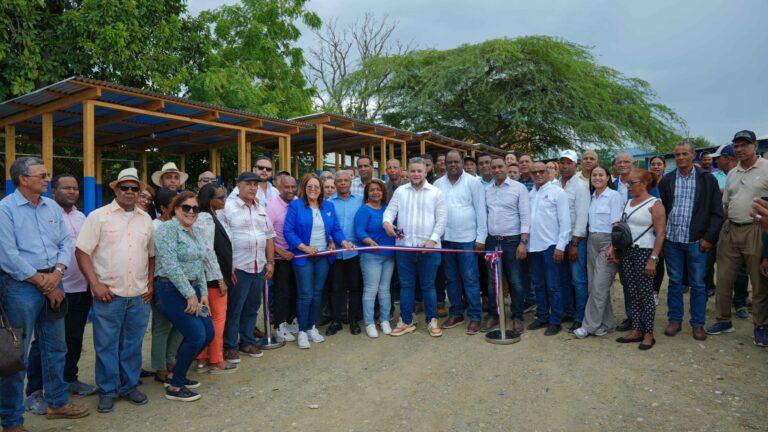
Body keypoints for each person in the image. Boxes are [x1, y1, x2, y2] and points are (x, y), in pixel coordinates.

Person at [0, 157, 90, 430]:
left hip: (53, 280)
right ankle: (12, 421)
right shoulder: (5, 210)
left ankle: (57, 402)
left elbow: (66, 242)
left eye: (47, 174)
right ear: (23, 179)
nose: (47, 178)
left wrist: (57, 274)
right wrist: (43, 281)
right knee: (16, 356)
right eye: (41, 175)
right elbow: (7, 255)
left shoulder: (51, 206)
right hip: (20, 287)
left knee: (56, 347)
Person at [76, 167, 154, 412]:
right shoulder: (99, 216)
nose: (130, 192)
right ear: (116, 189)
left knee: (132, 343)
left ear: (140, 191)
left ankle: (129, 386)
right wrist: (95, 284)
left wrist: (150, 283)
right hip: (109, 293)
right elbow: (82, 251)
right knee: (106, 344)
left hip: (139, 294)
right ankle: (108, 389)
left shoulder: (146, 219)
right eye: (125, 187)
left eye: (135, 188)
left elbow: (151, 255)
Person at [707, 130, 768, 346]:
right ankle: (724, 320)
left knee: (759, 283)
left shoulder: (766, 168)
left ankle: (760, 326)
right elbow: (726, 204)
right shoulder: (732, 173)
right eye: (737, 145)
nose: (740, 149)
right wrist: (718, 232)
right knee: (723, 279)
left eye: (744, 144)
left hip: (757, 230)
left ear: (755, 145)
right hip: (730, 229)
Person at [153, 192, 215, 402]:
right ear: (175, 208)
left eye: (195, 208)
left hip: (193, 290)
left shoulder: (195, 231)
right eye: (186, 207)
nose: (191, 212)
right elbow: (170, 264)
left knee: (208, 334)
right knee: (196, 335)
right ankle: (176, 386)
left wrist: (203, 293)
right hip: (170, 290)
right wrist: (190, 295)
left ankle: (176, 373)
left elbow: (199, 264)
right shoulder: (167, 229)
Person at [658, 141, 723, 341]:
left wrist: (708, 238)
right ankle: (675, 320)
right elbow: (665, 211)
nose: (680, 158)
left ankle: (698, 324)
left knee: (698, 283)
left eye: (685, 154)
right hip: (672, 241)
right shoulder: (667, 180)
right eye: (677, 154)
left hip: (697, 241)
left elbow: (717, 213)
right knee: (675, 282)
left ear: (693, 155)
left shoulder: (707, 180)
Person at [284, 174, 354, 348]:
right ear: (304, 188)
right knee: (305, 294)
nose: (313, 189)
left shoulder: (328, 206)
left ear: (321, 189)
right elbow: (288, 231)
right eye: (309, 186)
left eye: (316, 186)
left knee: (317, 293)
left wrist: (343, 241)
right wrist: (304, 247)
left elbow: (335, 228)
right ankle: (301, 331)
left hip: (322, 256)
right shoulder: (296, 205)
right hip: (304, 257)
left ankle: (311, 328)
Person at [383, 157, 447, 337]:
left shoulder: (436, 193)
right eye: (413, 171)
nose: (416, 174)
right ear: (408, 172)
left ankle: (432, 320)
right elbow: (389, 212)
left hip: (429, 249)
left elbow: (442, 220)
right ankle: (406, 320)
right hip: (404, 248)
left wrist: (432, 240)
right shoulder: (400, 192)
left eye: (419, 171)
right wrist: (386, 222)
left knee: (428, 286)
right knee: (406, 286)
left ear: (426, 172)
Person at [220, 172, 276, 362]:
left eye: (255, 184)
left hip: (258, 265)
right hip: (239, 267)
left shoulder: (261, 207)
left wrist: (270, 262)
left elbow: (269, 236)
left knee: (252, 306)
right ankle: (230, 345)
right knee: (235, 308)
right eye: (249, 184)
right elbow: (221, 240)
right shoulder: (228, 207)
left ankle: (247, 342)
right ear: (239, 186)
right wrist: (228, 267)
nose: (253, 188)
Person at [611, 169, 666, 350]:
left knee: (645, 295)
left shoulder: (655, 204)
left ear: (643, 184)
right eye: (628, 183)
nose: (628, 186)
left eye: (632, 183)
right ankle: (636, 329)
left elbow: (660, 234)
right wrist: (613, 247)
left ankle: (648, 333)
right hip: (627, 252)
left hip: (645, 252)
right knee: (632, 292)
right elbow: (621, 228)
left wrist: (653, 259)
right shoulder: (628, 203)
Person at [434, 151, 487, 334]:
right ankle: (456, 312)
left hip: (467, 239)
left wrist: (481, 238)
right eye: (450, 162)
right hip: (446, 239)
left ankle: (475, 316)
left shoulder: (473, 183)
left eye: (457, 161)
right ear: (444, 164)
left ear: (463, 163)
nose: (453, 165)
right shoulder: (438, 184)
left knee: (470, 278)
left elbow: (481, 211)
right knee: (451, 279)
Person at [52, 175, 97, 396]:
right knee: (48, 342)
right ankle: (37, 389)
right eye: (66, 188)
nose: (72, 192)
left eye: (75, 188)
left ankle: (70, 379)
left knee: (75, 338)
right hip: (56, 290)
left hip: (81, 288)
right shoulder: (48, 216)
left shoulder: (82, 217)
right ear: (53, 192)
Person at [574, 164, 623, 339]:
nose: (597, 178)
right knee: (595, 285)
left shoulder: (614, 196)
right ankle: (606, 323)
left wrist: (613, 247)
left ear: (608, 177)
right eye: (594, 175)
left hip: (607, 242)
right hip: (591, 241)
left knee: (598, 286)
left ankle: (588, 326)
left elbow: (617, 224)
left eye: (601, 175)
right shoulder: (592, 197)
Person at [194, 184, 237, 375]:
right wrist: (220, 278)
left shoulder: (211, 216)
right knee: (217, 319)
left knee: (207, 318)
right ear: (209, 200)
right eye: (220, 197)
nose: (224, 200)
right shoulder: (205, 218)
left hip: (214, 275)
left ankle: (202, 358)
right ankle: (216, 359)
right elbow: (207, 251)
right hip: (212, 278)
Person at [483, 157, 530, 334]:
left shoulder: (519, 188)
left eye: (500, 166)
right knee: (492, 282)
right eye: (493, 167)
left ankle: (517, 316)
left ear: (507, 167)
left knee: (516, 281)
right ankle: (494, 315)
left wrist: (523, 242)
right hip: (492, 241)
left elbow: (525, 217)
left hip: (512, 241)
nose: (496, 169)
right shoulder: (487, 190)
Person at [526, 162, 571, 336]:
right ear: (530, 174)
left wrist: (561, 246)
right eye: (534, 172)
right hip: (533, 247)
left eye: (541, 171)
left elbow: (565, 222)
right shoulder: (530, 194)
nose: (538, 174)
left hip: (551, 245)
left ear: (548, 172)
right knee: (538, 284)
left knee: (553, 285)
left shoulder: (557, 192)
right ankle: (542, 316)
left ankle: (556, 320)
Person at [148, 187, 183, 384]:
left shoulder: (179, 224)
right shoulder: (154, 226)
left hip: (181, 281)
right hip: (162, 280)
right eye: (174, 206)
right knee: (161, 326)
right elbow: (151, 256)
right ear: (162, 207)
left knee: (178, 324)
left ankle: (170, 359)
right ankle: (159, 366)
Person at [355, 179, 396, 338]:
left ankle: (384, 319)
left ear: (383, 192)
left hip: (388, 255)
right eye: (371, 190)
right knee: (371, 290)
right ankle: (369, 322)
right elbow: (359, 231)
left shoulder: (387, 210)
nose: (375, 193)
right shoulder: (364, 210)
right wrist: (369, 241)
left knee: (385, 290)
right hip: (370, 255)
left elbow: (394, 228)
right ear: (367, 193)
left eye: (378, 190)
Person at [327, 171, 364, 336]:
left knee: (355, 287)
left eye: (345, 180)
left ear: (351, 182)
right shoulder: (328, 202)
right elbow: (325, 225)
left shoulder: (360, 200)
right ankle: (336, 320)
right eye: (339, 181)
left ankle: (354, 320)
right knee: (335, 288)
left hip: (355, 251)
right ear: (335, 183)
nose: (342, 183)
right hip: (336, 252)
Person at [558, 150, 590, 332]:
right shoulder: (555, 184)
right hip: (558, 241)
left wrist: (575, 243)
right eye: (562, 162)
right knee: (564, 278)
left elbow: (582, 216)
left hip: (575, 241)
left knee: (578, 279)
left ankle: (581, 316)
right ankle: (568, 312)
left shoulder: (580, 185)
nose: (564, 166)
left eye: (568, 162)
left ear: (575, 165)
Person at [266, 174, 300, 343]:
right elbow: (268, 235)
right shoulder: (272, 206)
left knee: (295, 290)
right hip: (280, 257)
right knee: (282, 293)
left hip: (297, 254)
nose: (290, 190)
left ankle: (291, 319)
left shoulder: (297, 203)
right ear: (279, 187)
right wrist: (279, 252)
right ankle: (279, 325)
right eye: (286, 187)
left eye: (293, 187)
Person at [612, 152, 635, 332]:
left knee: (640, 280)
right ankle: (631, 316)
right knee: (626, 280)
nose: (623, 164)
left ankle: (642, 316)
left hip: (640, 238)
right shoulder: (611, 185)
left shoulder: (644, 181)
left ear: (633, 163)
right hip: (619, 239)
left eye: (626, 161)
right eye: (619, 162)